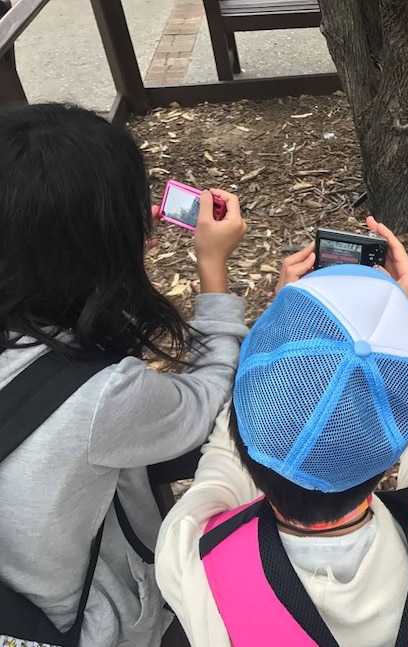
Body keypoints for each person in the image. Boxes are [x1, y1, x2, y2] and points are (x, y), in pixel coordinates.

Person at [155, 217, 408, 647]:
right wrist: (404, 325)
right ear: (386, 452)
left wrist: (282, 329)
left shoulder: (194, 555)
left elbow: (223, 460)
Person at [0, 104, 249, 646]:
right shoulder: (104, 399)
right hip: (82, 629)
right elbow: (206, 398)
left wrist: (106, 253)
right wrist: (213, 271)